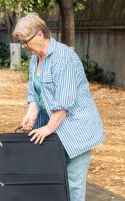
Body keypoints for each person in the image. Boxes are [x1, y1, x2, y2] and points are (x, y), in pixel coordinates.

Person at [13, 13, 105, 201]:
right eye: (21, 43)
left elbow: (64, 103)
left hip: (75, 131)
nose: (24, 47)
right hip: (53, 129)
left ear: (40, 35)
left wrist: (47, 128)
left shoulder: (63, 58)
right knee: (52, 181)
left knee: (73, 186)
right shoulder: (35, 59)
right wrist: (31, 113)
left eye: (25, 41)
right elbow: (34, 92)